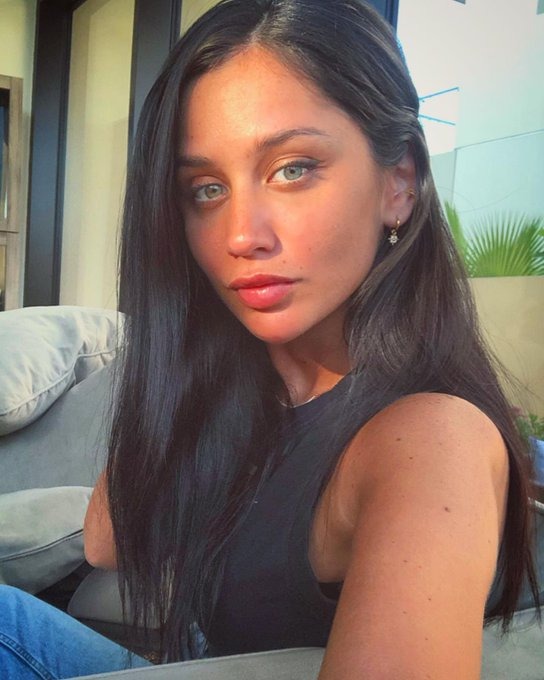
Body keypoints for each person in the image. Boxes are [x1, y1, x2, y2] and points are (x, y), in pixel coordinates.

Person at [0, 0, 539, 678]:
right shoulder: (252, 386)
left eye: (292, 168)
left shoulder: (431, 438)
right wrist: (182, 350)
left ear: (399, 183)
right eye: (206, 189)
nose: (239, 235)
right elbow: (109, 542)